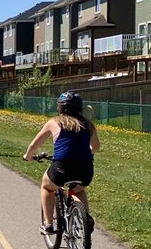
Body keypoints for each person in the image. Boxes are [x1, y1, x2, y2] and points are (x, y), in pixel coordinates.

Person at [23, 92, 99, 234]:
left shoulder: (55, 122)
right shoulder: (88, 124)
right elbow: (95, 147)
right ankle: (84, 219)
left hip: (62, 167)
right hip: (85, 169)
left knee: (47, 187)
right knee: (79, 189)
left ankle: (48, 225)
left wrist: (28, 157)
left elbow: (34, 145)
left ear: (60, 107)